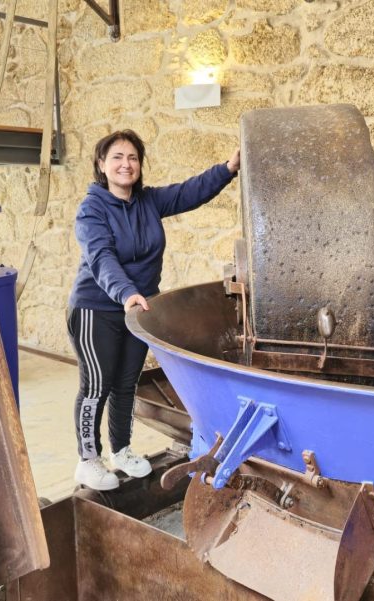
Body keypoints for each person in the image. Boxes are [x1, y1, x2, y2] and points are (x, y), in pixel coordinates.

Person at [68, 129, 240, 490]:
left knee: (126, 383)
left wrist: (228, 168)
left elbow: (190, 192)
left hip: (139, 309)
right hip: (96, 308)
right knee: (97, 384)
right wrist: (126, 292)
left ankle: (121, 450)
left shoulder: (148, 201)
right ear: (101, 164)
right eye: (117, 157)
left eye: (132, 157)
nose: (125, 164)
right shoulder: (92, 209)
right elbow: (100, 257)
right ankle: (88, 459)